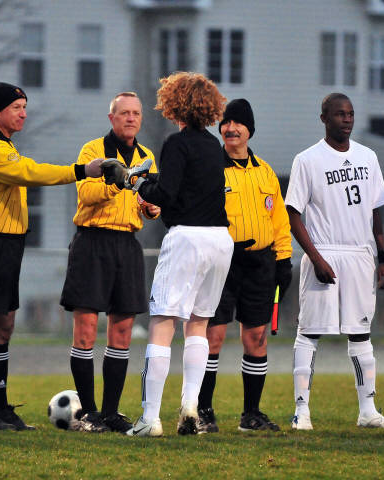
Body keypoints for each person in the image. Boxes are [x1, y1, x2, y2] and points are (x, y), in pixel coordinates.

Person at [0, 82, 104, 430]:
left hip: (6, 246)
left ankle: (0, 408)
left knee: (4, 326)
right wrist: (81, 170)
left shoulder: (4, 145)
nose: (23, 113)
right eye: (17, 107)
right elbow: (31, 173)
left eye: (24, 107)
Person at [110, 72, 233, 437]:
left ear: (175, 104)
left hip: (188, 238)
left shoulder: (176, 143)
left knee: (163, 324)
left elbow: (166, 193)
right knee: (198, 325)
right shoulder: (215, 146)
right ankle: (190, 409)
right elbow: (186, 185)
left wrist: (134, 181)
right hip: (220, 239)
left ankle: (150, 419)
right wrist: (149, 181)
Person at [285, 93, 384, 431]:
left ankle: (368, 410)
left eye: (350, 114)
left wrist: (382, 258)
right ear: (324, 118)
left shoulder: (368, 156)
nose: (346, 119)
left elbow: (376, 211)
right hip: (324, 252)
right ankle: (301, 411)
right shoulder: (307, 159)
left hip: (360, 256)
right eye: (339, 114)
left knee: (361, 333)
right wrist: (315, 257)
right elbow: (293, 214)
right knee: (310, 333)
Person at [59, 92, 160, 434]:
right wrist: (118, 183)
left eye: (136, 113)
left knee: (122, 331)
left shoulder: (147, 157)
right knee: (86, 330)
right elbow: (86, 194)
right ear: (111, 117)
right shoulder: (93, 151)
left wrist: (151, 207)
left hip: (127, 245)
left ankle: (110, 412)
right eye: (124, 113)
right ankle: (89, 413)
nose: (130, 118)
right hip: (92, 241)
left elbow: (148, 198)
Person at [195, 99, 293, 434]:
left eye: (238, 123)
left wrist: (283, 260)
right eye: (226, 122)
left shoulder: (264, 171)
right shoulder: (211, 167)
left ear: (250, 130)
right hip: (221, 261)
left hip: (260, 263)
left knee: (256, 337)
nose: (231, 128)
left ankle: (251, 415)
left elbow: (279, 220)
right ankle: (203, 411)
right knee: (213, 336)